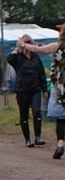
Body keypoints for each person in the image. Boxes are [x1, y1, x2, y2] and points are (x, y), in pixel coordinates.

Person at [24, 25, 65, 158]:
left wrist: (23, 44)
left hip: (59, 87)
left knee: (61, 119)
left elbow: (38, 49)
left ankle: (60, 143)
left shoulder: (56, 46)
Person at [7, 35, 48, 147]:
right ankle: (27, 139)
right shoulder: (18, 57)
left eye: (29, 41)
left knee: (37, 112)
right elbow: (9, 59)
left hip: (35, 88)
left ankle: (38, 137)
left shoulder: (35, 56)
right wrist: (17, 48)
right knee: (24, 115)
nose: (27, 43)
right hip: (22, 90)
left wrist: (44, 89)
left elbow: (41, 74)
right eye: (25, 42)